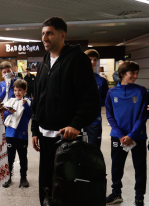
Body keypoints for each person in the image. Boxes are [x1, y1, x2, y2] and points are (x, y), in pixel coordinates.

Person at [31, 17, 100, 206]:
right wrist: (35, 129)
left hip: (67, 137)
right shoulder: (43, 63)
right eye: (43, 33)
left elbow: (90, 98)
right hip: (45, 137)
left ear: (63, 35)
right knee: (46, 183)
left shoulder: (77, 59)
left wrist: (76, 124)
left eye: (50, 33)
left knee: (66, 186)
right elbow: (38, 99)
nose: (45, 37)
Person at [105, 61, 148, 206]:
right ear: (122, 74)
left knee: (140, 168)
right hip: (118, 136)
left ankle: (139, 198)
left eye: (137, 73)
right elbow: (109, 115)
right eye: (132, 73)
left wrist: (132, 135)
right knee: (117, 166)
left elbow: (143, 116)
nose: (135, 76)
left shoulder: (141, 91)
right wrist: (120, 135)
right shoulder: (111, 92)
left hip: (138, 136)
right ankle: (116, 193)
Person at [2, 79, 32, 188]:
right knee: (9, 157)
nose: (17, 92)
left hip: (22, 135)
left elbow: (30, 115)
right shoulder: (10, 101)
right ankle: (8, 177)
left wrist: (26, 106)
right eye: (15, 90)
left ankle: (23, 177)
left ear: (25, 91)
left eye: (20, 90)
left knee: (22, 157)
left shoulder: (28, 101)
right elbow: (3, 114)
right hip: (10, 134)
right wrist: (7, 112)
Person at [83, 49, 109, 149]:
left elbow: (105, 100)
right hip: (77, 121)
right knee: (76, 150)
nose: (92, 62)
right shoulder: (76, 78)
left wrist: (95, 103)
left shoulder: (102, 81)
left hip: (94, 120)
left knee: (94, 150)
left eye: (95, 60)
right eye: (90, 59)